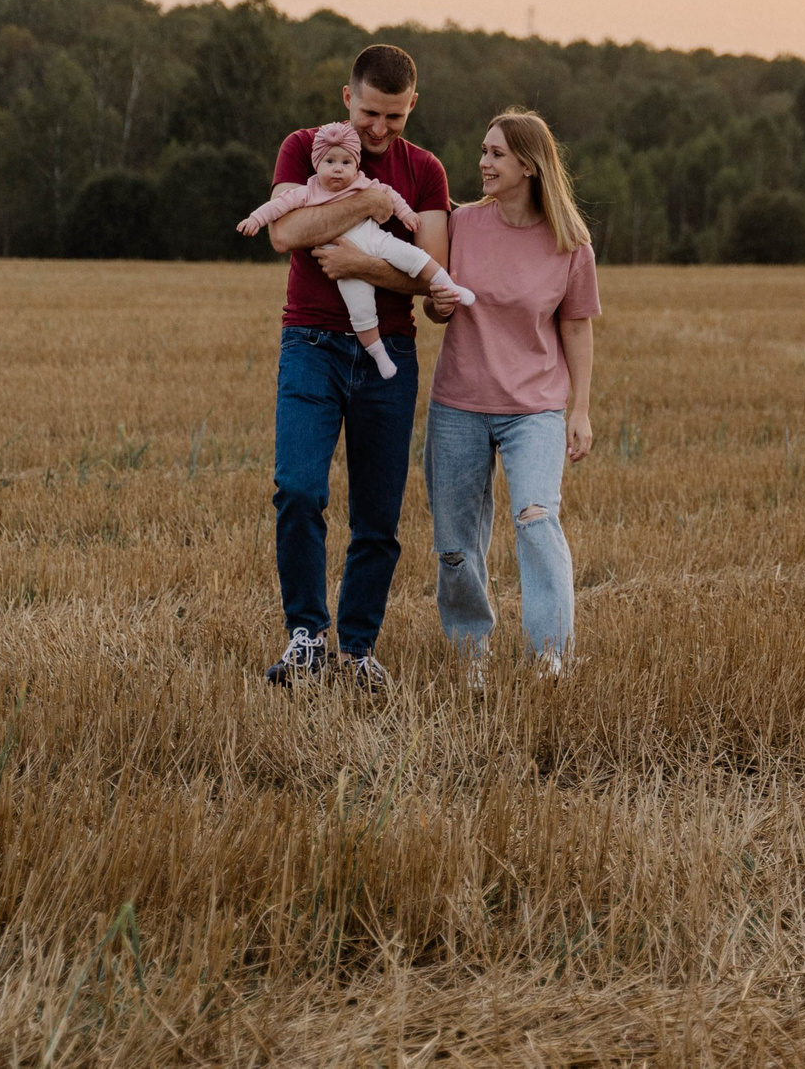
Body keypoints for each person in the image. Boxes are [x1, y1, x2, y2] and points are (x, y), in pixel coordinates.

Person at [259, 45, 456, 688]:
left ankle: (359, 649)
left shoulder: (426, 171)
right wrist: (367, 209)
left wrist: (359, 264)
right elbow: (285, 235)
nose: (379, 129)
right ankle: (307, 640)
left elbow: (430, 278)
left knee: (378, 515)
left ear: (412, 108)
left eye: (394, 118)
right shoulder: (303, 146)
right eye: (370, 112)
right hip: (310, 345)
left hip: (389, 355)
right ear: (348, 97)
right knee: (298, 491)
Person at [423, 108, 600, 682]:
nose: (483, 163)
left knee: (536, 517)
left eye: (496, 153)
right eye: (482, 151)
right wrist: (436, 306)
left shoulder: (571, 243)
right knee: (454, 542)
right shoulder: (462, 224)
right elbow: (432, 303)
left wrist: (581, 409)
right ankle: (470, 654)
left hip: (535, 409)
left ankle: (549, 655)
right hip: (458, 403)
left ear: (529, 164)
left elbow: (576, 326)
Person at [238, 122, 474, 380]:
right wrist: (255, 219)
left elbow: (389, 196)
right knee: (361, 311)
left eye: (346, 163)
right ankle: (379, 356)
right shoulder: (309, 191)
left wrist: (406, 215)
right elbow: (278, 211)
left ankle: (451, 287)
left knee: (414, 257)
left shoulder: (363, 182)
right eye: (329, 162)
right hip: (337, 269)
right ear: (317, 164)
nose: (338, 168)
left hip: (375, 240)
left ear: (356, 165)